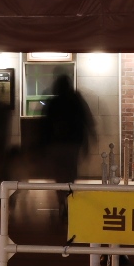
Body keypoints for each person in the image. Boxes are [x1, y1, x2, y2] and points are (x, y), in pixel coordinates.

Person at [39, 74, 93, 221]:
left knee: (59, 176)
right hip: (72, 145)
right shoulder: (76, 101)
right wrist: (87, 142)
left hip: (55, 145)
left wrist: (42, 146)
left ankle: (61, 201)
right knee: (70, 175)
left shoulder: (53, 102)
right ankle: (68, 201)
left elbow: (44, 126)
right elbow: (87, 121)